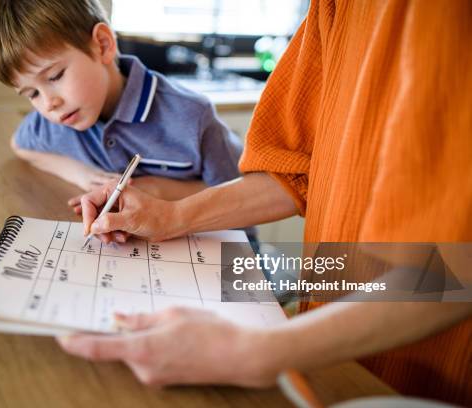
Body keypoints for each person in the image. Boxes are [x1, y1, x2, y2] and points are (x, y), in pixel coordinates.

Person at [58, 0, 472, 405]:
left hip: (429, 371)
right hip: (325, 340)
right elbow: (292, 172)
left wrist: (258, 351)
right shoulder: (333, 9)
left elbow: (456, 270)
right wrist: (171, 216)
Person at [0, 0, 243, 203]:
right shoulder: (56, 120)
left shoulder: (191, 116)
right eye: (32, 94)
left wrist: (156, 189)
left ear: (103, 45)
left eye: (55, 76)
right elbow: (20, 145)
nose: (48, 104)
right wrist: (81, 175)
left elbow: (239, 195)